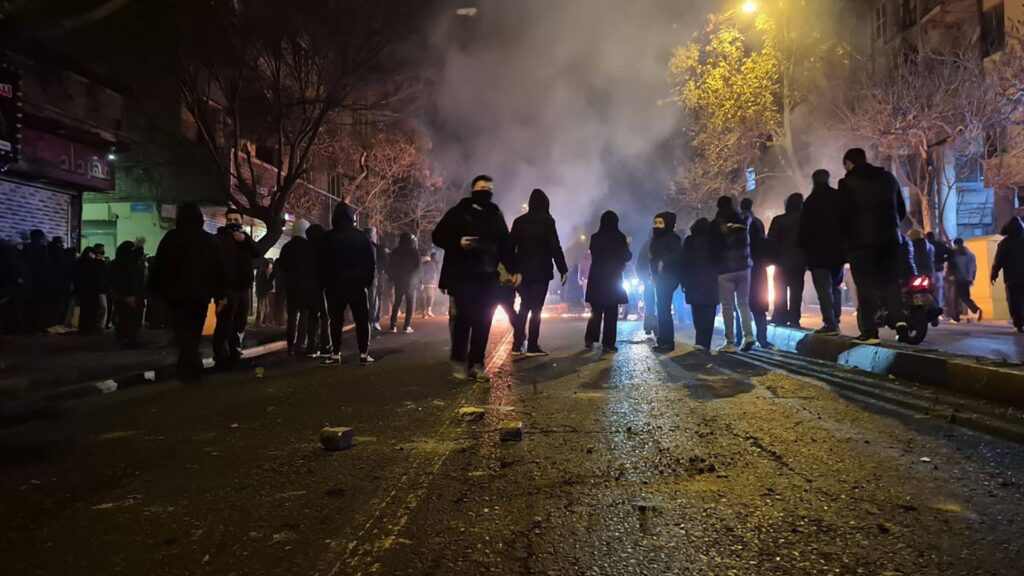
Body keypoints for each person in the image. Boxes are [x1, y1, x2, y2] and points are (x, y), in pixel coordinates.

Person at [433, 175, 518, 381]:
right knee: (464, 318)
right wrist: (458, 242)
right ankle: (459, 358)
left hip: (488, 276)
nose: (485, 191)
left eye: (489, 188)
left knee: (484, 320)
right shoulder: (458, 212)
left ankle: (477, 363)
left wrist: (514, 269)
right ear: (473, 190)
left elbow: (505, 244)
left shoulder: (495, 214)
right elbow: (438, 236)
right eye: (481, 187)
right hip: (463, 275)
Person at [838, 148, 908, 344]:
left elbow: (842, 217)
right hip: (891, 241)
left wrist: (845, 244)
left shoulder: (846, 183)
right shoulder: (888, 178)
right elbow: (901, 209)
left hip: (861, 244)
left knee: (865, 286)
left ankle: (869, 331)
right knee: (890, 283)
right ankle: (900, 320)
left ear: (849, 163)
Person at [148, 203, 226, 381]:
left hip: (176, 295)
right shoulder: (209, 240)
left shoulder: (172, 238)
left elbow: (160, 266)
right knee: (194, 330)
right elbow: (219, 270)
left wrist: (153, 288)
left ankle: (188, 364)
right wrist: (220, 294)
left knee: (182, 330)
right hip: (200, 295)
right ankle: (190, 364)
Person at [510, 188, 569, 356]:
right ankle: (532, 346)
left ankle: (517, 344)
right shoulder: (548, 222)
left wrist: (512, 270)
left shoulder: (519, 221)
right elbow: (555, 247)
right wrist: (563, 269)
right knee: (536, 309)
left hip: (522, 273)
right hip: (541, 272)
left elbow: (510, 247)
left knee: (524, 306)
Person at [214, 208, 273, 369]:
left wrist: (245, 240)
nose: (233, 223)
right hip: (226, 290)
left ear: (241, 222)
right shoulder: (219, 239)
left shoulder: (245, 239)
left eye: (236, 220)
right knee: (224, 322)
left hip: (243, 288)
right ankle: (220, 356)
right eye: (230, 220)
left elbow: (258, 252)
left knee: (240, 322)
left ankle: (235, 351)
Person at [319, 203, 376, 366]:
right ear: (352, 217)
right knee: (361, 320)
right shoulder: (361, 237)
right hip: (357, 285)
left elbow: (321, 263)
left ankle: (335, 353)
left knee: (335, 321)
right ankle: (364, 353)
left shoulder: (328, 237)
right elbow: (370, 262)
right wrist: (366, 282)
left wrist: (323, 282)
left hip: (334, 285)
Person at [799, 170, 845, 335]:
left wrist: (805, 253)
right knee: (835, 286)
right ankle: (836, 318)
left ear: (814, 181)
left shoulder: (810, 202)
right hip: (837, 252)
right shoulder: (838, 197)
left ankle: (830, 322)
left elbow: (804, 231)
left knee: (823, 289)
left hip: (817, 254)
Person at [712, 195, 755, 353]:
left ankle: (730, 342)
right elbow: (749, 215)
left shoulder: (717, 224)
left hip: (725, 270)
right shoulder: (743, 220)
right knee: (743, 304)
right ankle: (748, 336)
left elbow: (713, 248)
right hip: (744, 267)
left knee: (727, 306)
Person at [584, 210, 632, 352]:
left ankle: (590, 339)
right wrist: (627, 246)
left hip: (597, 278)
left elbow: (594, 254)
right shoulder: (620, 237)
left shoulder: (595, 237)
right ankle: (608, 343)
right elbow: (626, 256)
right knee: (611, 312)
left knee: (596, 311)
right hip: (613, 279)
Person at [278, 219, 322, 356]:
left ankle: (290, 345)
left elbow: (282, 268)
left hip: (291, 288)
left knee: (292, 318)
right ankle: (301, 344)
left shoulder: (286, 247)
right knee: (304, 316)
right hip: (305, 288)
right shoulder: (308, 247)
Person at [768, 192, 806, 327]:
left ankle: (780, 316)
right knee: (796, 291)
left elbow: (771, 241)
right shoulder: (805, 221)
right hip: (799, 261)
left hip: (781, 261)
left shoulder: (778, 220)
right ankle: (794, 318)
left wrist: (771, 259)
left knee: (780, 290)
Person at [740, 198, 773, 349]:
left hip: (742, 267)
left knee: (742, 304)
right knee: (758, 304)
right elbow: (763, 243)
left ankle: (742, 337)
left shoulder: (738, 223)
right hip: (757, 267)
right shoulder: (758, 223)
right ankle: (762, 338)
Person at [682, 218, 720, 351]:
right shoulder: (714, 241)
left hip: (693, 281)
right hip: (712, 282)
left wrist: (683, 281)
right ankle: (706, 342)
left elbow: (684, 262)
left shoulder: (689, 241)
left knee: (697, 312)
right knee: (709, 314)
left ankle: (699, 340)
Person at [649, 211, 683, 353]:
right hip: (660, 277)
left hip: (669, 276)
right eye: (655, 223)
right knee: (662, 308)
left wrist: (663, 262)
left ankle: (667, 341)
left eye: (660, 223)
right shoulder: (657, 239)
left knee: (664, 308)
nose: (657, 226)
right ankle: (663, 339)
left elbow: (677, 255)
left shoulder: (672, 238)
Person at [109, 240, 146, 348]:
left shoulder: (118, 263)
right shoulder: (128, 264)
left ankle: (124, 338)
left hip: (126, 294)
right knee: (130, 318)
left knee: (126, 317)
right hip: (129, 293)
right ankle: (129, 339)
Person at [992, 216, 1024, 332]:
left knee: (1014, 301)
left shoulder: (1005, 243)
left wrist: (994, 274)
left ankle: (1018, 325)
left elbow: (998, 261)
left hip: (1012, 278)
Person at [388, 232, 422, 334]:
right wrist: (419, 281)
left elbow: (391, 265)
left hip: (399, 280)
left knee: (397, 302)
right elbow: (418, 268)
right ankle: (406, 326)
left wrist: (393, 277)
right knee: (409, 304)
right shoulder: (414, 251)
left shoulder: (395, 251)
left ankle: (392, 326)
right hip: (410, 281)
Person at [305, 224, 332, 356]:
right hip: (323, 287)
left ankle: (311, 346)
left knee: (312, 316)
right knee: (325, 317)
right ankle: (325, 346)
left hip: (309, 288)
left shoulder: (305, 249)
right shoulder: (325, 249)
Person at [75, 247, 109, 335]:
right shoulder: (96, 263)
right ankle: (90, 328)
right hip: (93, 290)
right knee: (92, 309)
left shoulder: (80, 263)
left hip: (85, 290)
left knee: (85, 310)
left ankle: (85, 328)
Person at [948, 238, 982, 323]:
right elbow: (974, 268)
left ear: (955, 245)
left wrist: (951, 275)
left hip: (957, 279)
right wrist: (972, 278)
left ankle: (956, 317)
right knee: (965, 297)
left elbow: (951, 266)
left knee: (955, 298)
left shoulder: (955, 254)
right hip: (967, 279)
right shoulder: (971, 255)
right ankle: (976, 310)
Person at [365, 227, 388, 332]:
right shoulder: (378, 248)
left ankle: (372, 320)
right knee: (375, 299)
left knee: (372, 299)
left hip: (371, 277)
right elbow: (384, 263)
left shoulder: (361, 247)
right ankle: (374, 320)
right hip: (376, 277)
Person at [926, 231, 952, 318]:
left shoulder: (924, 246)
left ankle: (928, 307)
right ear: (934, 237)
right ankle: (938, 307)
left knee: (927, 289)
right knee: (939, 290)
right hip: (938, 269)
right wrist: (943, 260)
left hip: (926, 271)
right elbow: (950, 253)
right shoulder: (940, 245)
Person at [636, 237, 657, 336]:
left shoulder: (645, 244)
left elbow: (639, 264)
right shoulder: (657, 244)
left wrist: (643, 277)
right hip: (654, 278)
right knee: (655, 303)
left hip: (647, 278)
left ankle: (649, 325)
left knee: (649, 303)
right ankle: (654, 325)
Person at [255, 259, 275, 327]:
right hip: (263, 292)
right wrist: (269, 287)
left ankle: (263, 321)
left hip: (262, 291)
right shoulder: (263, 271)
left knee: (264, 307)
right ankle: (260, 322)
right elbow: (263, 282)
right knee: (262, 307)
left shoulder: (260, 270)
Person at [421, 252, 441, 318]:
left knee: (423, 297)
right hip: (430, 283)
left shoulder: (420, 263)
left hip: (423, 283)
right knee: (430, 297)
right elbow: (435, 273)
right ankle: (428, 311)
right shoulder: (432, 263)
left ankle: (425, 312)